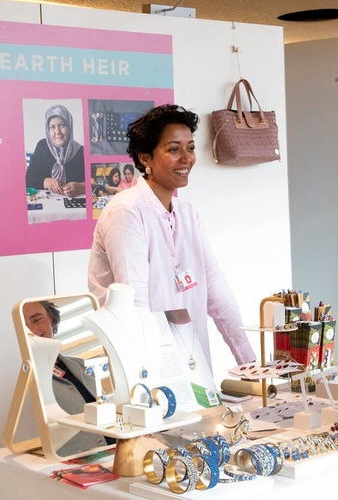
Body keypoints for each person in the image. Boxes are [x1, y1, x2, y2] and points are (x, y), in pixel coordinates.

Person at [87, 104, 256, 367]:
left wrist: (251, 365)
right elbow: (135, 304)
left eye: (190, 147)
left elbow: (218, 293)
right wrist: (153, 377)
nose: (186, 158)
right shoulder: (126, 211)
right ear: (145, 158)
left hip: (192, 362)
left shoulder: (187, 214)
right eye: (173, 149)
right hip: (144, 365)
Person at [21, 300, 107, 454]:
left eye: (36, 320)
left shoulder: (82, 365)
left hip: (112, 449)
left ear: (52, 321)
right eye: (23, 325)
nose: (31, 330)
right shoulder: (25, 374)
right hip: (72, 460)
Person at [26, 104, 86, 198]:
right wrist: (45, 182)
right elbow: (28, 180)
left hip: (74, 207)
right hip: (47, 205)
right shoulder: (42, 147)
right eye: (52, 127)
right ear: (48, 130)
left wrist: (82, 187)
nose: (58, 132)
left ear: (69, 127)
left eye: (62, 125)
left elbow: (95, 183)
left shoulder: (81, 152)